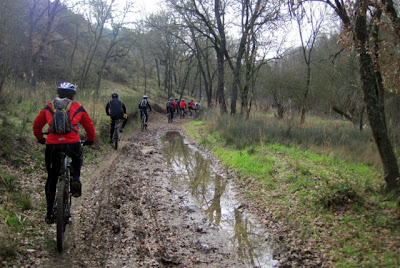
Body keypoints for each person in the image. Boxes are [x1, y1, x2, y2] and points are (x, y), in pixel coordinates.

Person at [33, 82, 95, 224]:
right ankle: (76, 178)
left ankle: (49, 214)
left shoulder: (49, 107)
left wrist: (40, 138)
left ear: (58, 94)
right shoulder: (78, 107)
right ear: (73, 95)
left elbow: (37, 125)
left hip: (53, 145)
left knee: (52, 178)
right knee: (78, 157)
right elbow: (89, 126)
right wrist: (90, 140)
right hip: (72, 144)